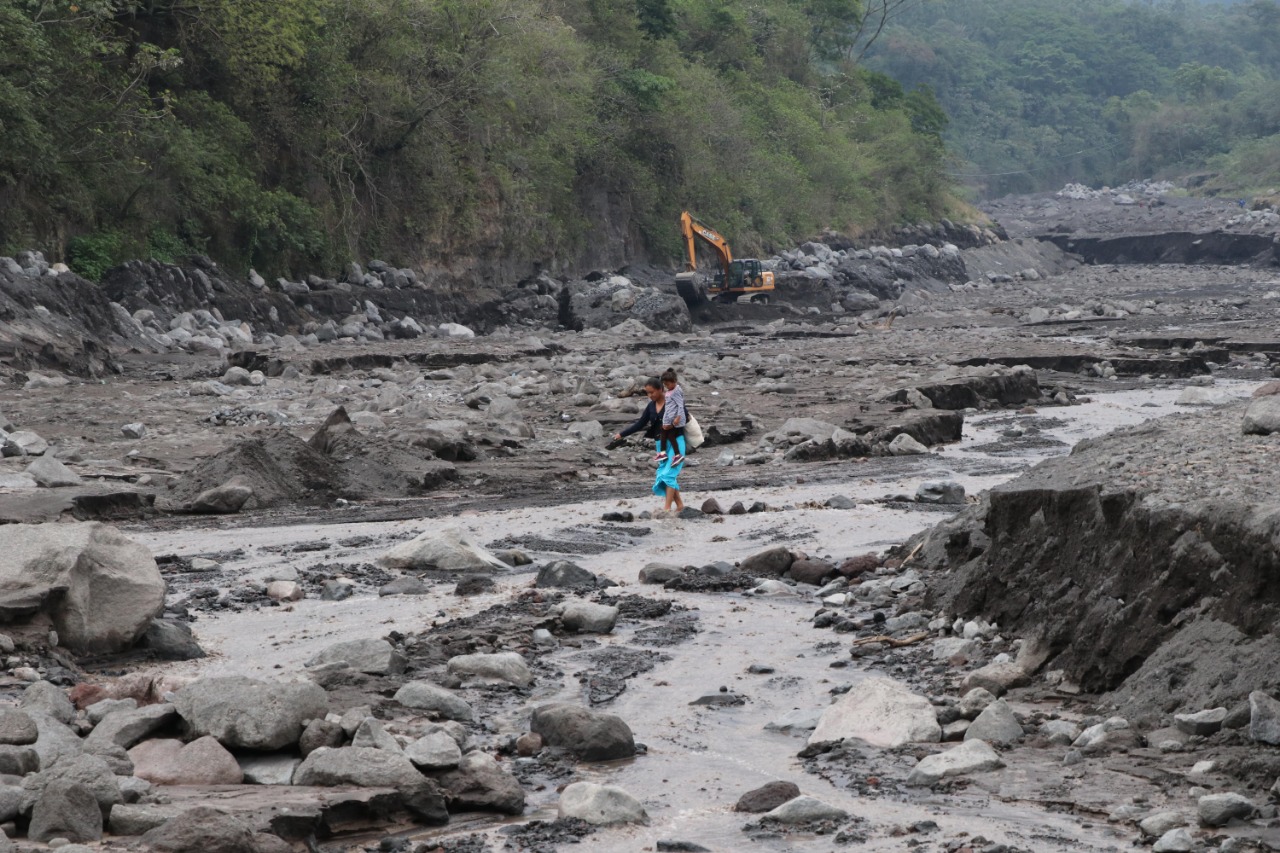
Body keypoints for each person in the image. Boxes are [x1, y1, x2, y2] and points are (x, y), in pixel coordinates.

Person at [611, 377, 686, 513]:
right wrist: (621, 434)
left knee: (668, 475)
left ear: (661, 390)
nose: (650, 395)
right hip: (661, 444)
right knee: (664, 474)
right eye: (647, 393)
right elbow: (640, 423)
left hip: (676, 443)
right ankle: (680, 505)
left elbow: (684, 416)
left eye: (652, 392)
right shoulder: (651, 406)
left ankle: (667, 509)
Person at [655, 367, 686, 465]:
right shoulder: (671, 391)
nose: (666, 386)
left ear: (674, 381)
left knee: (671, 435)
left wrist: (678, 417)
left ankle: (677, 455)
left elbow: (681, 405)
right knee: (664, 432)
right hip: (668, 417)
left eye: (667, 384)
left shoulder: (676, 391)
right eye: (665, 385)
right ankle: (663, 452)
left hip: (673, 419)